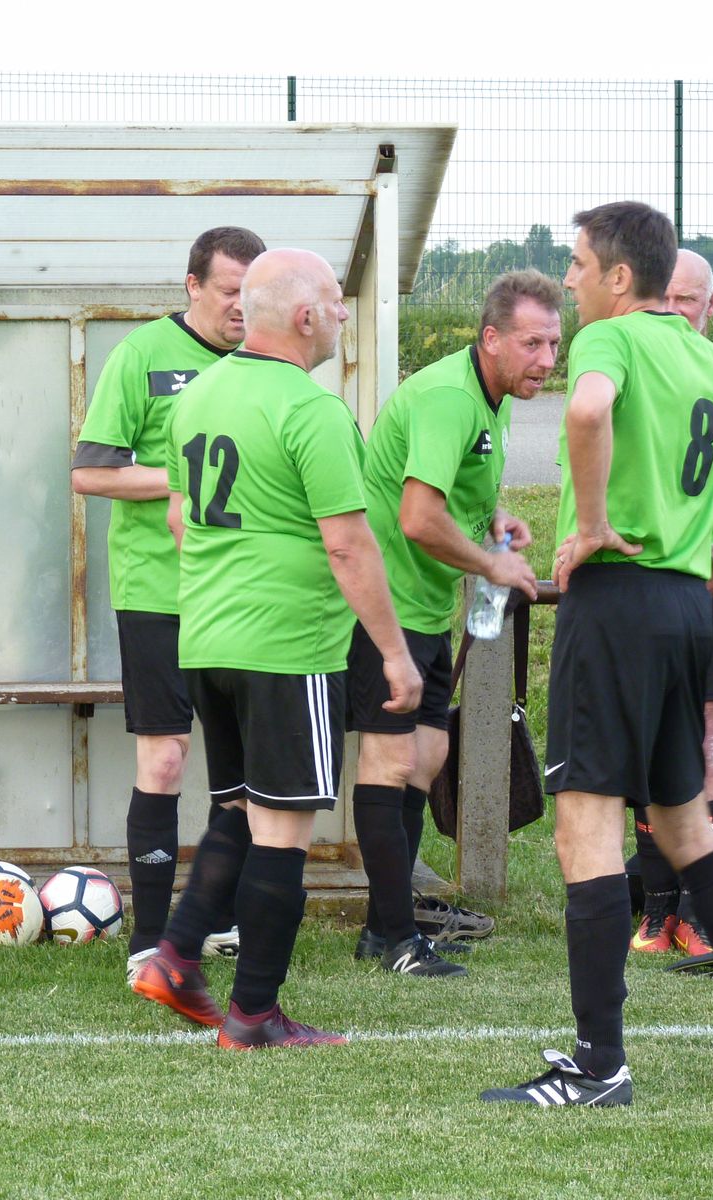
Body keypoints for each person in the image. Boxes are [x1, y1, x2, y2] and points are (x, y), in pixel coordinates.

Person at [480, 202, 713, 1107]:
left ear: (619, 277)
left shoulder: (613, 337)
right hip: (685, 609)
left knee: (585, 826)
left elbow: (589, 408)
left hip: (617, 603)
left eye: (577, 264)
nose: (569, 280)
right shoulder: (710, 358)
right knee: (682, 824)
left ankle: (599, 1065)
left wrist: (592, 523)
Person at [131, 248, 422, 1049]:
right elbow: (348, 545)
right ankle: (255, 1013)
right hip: (287, 645)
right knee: (284, 830)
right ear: (304, 316)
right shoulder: (312, 409)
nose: (342, 313)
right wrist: (394, 654)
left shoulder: (199, 394)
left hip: (207, 636)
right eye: (335, 301)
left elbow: (180, 519)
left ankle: (175, 956)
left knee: (238, 809)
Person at [348, 269, 556, 977]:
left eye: (554, 344)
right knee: (390, 762)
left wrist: (492, 518)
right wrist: (493, 564)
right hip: (387, 608)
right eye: (532, 344)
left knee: (428, 757)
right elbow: (416, 517)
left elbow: (454, 487)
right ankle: (397, 939)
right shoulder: (450, 398)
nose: (547, 360)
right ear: (491, 337)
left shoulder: (492, 396)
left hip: (429, 609)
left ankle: (385, 927)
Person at [72, 226, 265, 980]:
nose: (243, 308)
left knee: (241, 771)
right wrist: (182, 479)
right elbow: (91, 473)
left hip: (242, 595)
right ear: (192, 286)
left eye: (254, 294)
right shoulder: (143, 355)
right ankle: (149, 940)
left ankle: (217, 917)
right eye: (229, 293)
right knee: (165, 756)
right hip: (158, 590)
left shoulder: (267, 361)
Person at [631, 249, 713, 961]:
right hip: (648, 592)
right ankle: (657, 912)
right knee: (652, 747)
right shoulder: (628, 378)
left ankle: (701, 913)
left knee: (712, 744)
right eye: (667, 297)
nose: (677, 310)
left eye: (690, 299)